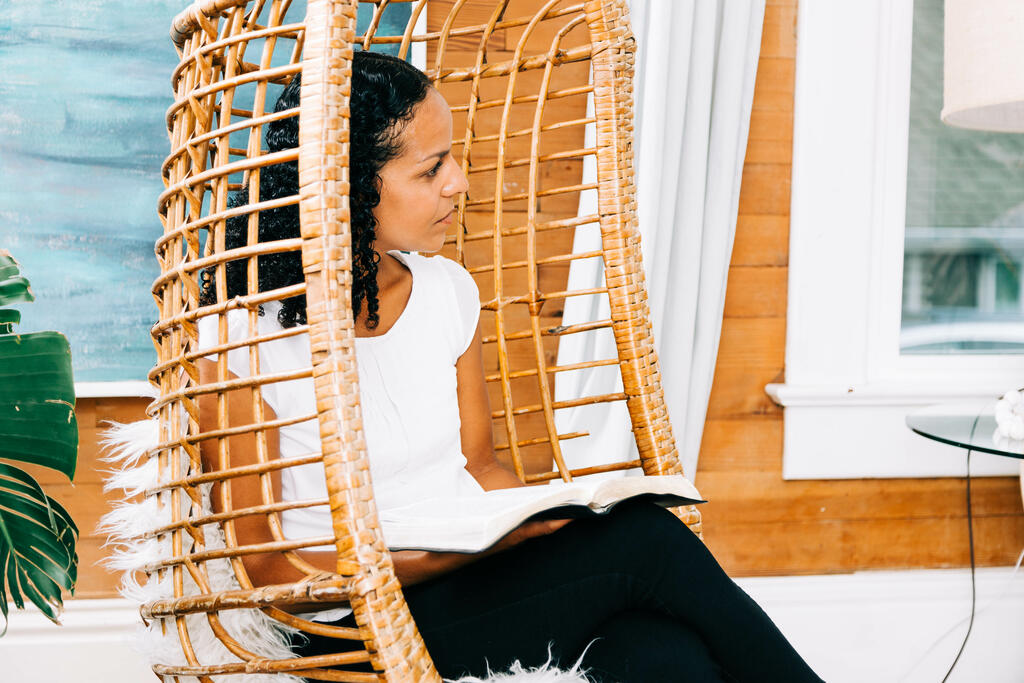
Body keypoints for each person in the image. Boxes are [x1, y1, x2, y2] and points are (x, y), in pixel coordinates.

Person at [195, 50, 824, 683]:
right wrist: (475, 548)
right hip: (342, 625)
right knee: (649, 543)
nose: (458, 182)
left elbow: (480, 467)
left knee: (657, 653)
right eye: (431, 168)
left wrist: (553, 514)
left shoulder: (446, 291)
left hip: (470, 580)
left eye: (454, 158)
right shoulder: (239, 336)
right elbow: (268, 574)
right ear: (349, 183)